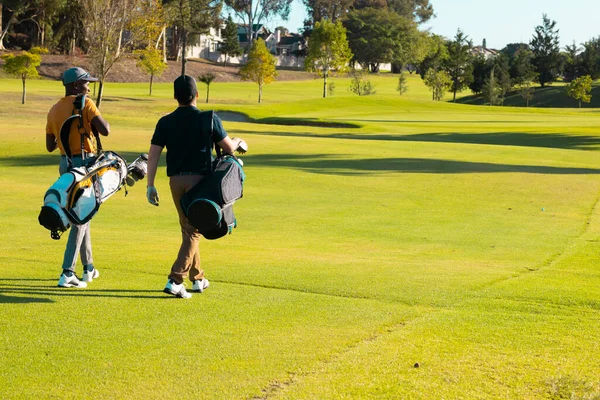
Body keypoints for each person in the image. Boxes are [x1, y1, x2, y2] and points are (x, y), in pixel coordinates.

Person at [146, 75, 246, 299]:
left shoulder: (165, 122)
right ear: (197, 95)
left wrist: (150, 185)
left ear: (175, 96)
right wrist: (240, 141)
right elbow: (229, 148)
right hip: (200, 182)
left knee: (189, 229)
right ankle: (175, 280)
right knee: (194, 230)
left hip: (175, 183)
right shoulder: (209, 118)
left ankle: (198, 278)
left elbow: (153, 156)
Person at [45, 67, 110, 288]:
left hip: (65, 165)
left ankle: (89, 268)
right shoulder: (87, 103)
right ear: (75, 85)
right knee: (80, 218)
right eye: (85, 82)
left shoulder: (53, 110)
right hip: (85, 165)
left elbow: (50, 146)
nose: (89, 86)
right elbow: (106, 130)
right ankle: (67, 272)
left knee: (84, 216)